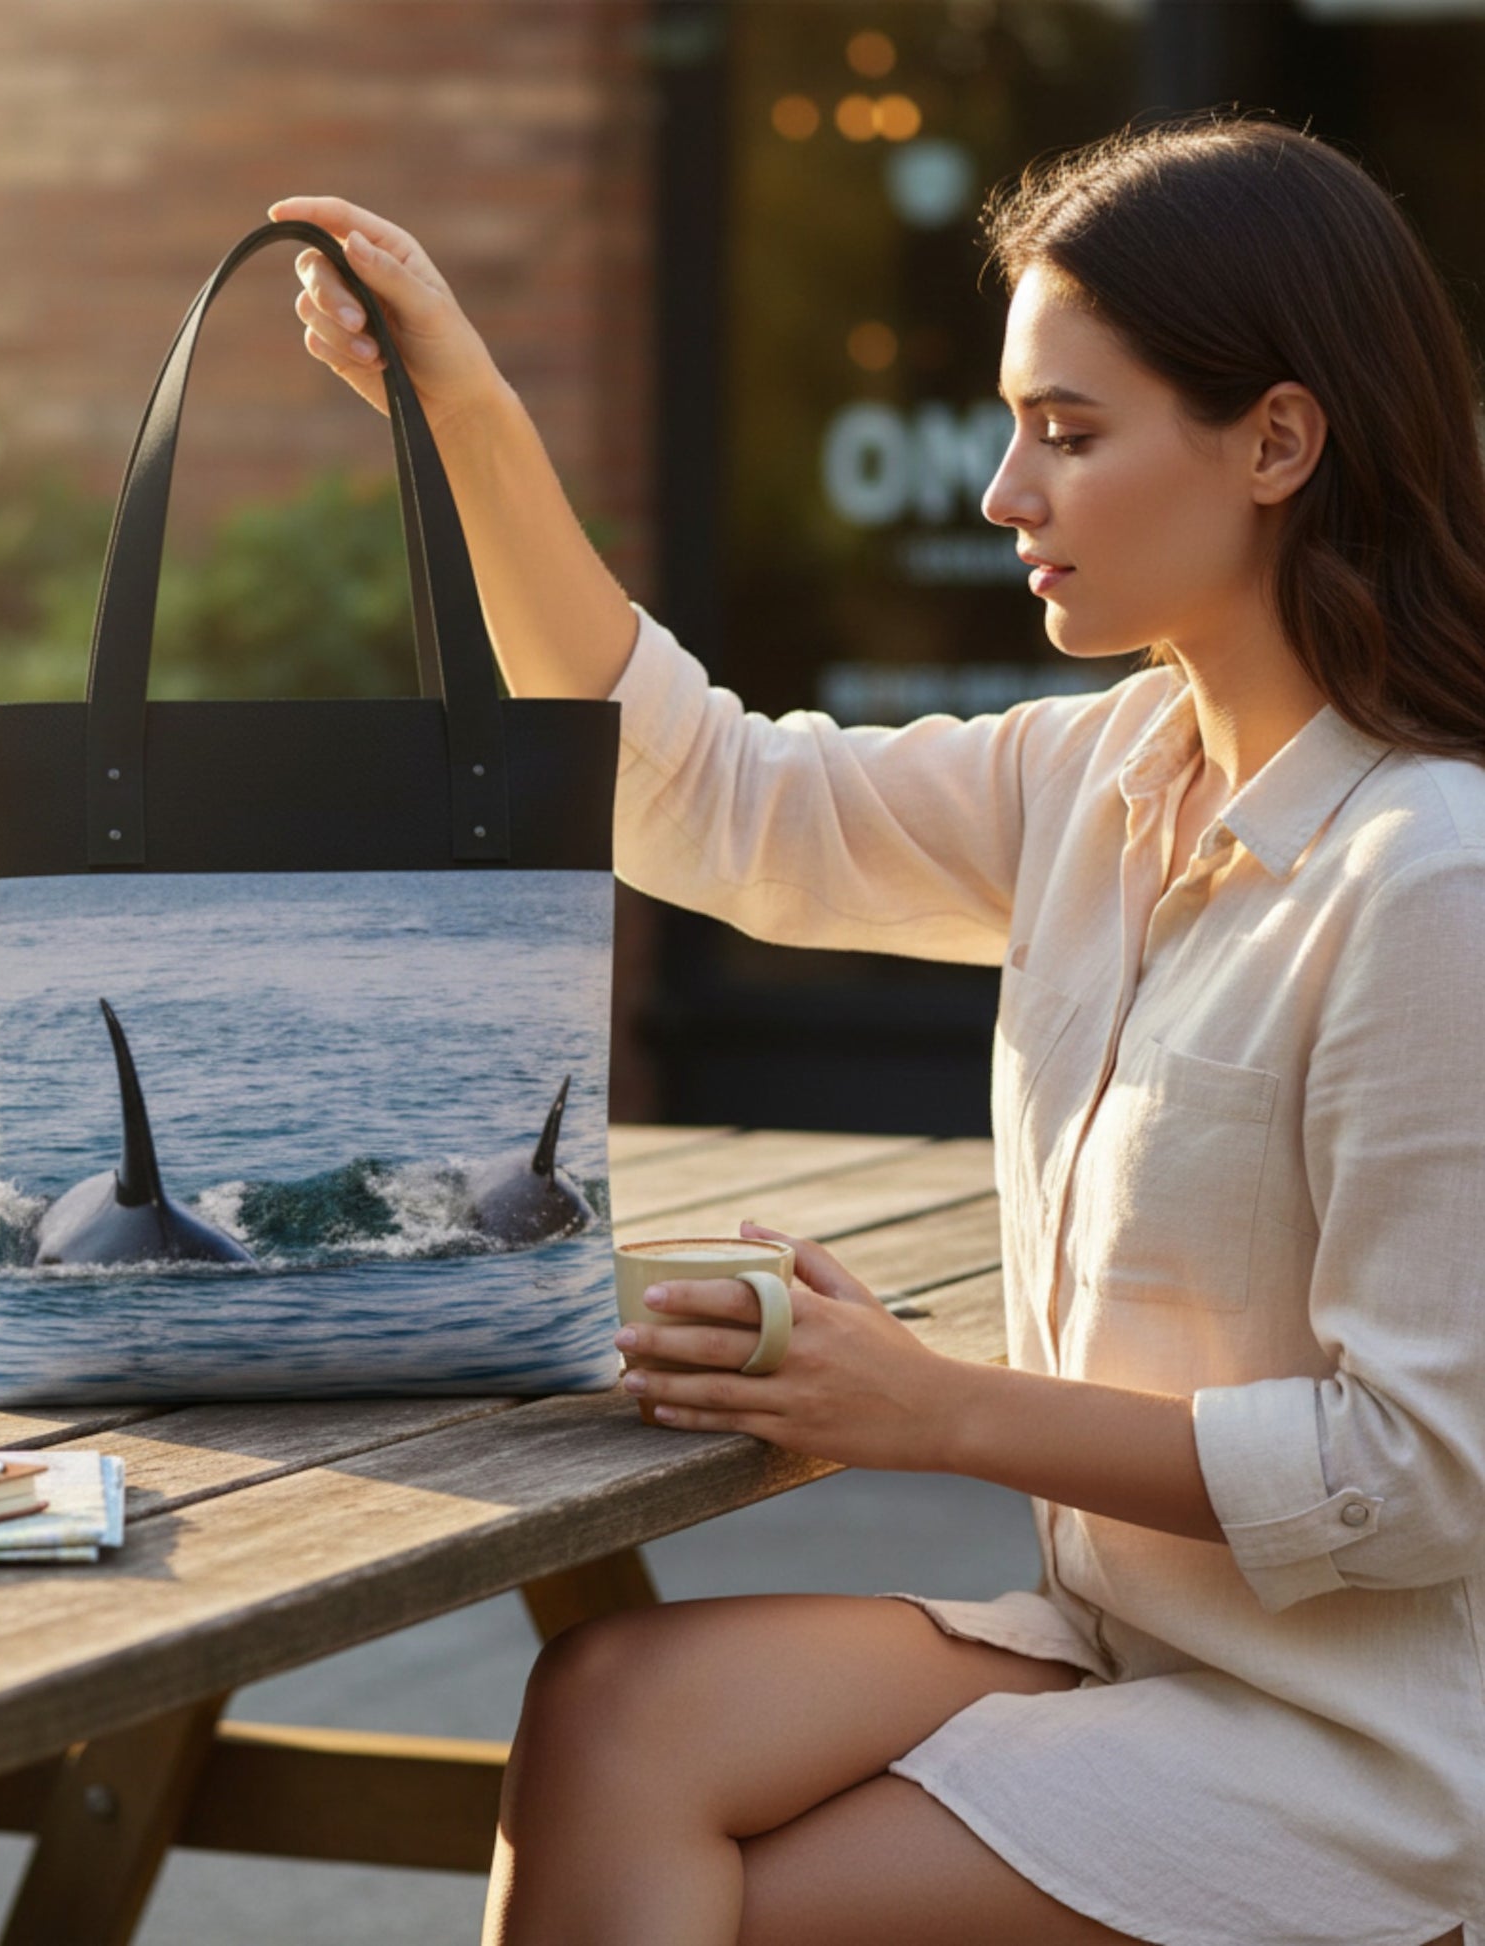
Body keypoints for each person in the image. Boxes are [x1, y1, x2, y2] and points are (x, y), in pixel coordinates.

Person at [268, 106, 1485, 1946]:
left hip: (1363, 1756)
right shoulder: (1097, 777)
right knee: (610, 1706)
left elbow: (1416, 1475)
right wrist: (456, 411)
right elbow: (712, 798)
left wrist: (934, 1411)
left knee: (739, 1903)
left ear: (1277, 442)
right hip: (1123, 1640)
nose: (1004, 492)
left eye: (1068, 434)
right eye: (1014, 427)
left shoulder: (1428, 877)